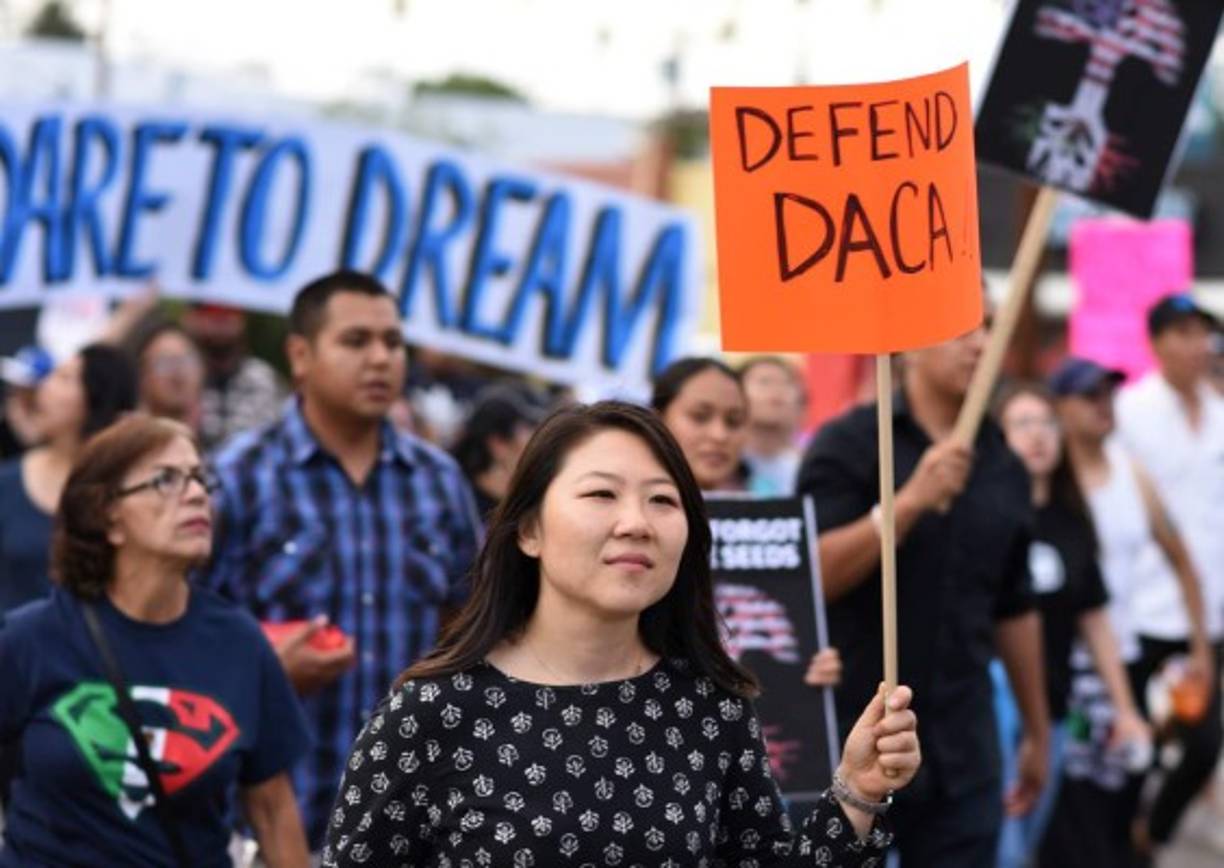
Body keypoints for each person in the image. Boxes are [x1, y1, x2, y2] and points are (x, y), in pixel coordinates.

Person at [322, 401, 921, 866]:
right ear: (528, 530)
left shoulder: (711, 706)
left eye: (663, 500)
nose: (635, 523)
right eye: (601, 494)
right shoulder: (432, 711)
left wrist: (858, 792)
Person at [205, 270, 482, 849]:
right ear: (300, 355)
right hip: (270, 828)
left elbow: (475, 633)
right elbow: (181, 642)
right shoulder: (239, 477)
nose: (381, 359)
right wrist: (265, 672)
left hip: (415, 830)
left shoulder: (438, 481)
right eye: (356, 342)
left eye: (393, 341)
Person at [0, 415, 310, 867]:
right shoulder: (34, 637)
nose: (197, 494)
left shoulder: (240, 643)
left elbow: (272, 808)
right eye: (166, 480)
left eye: (201, 478)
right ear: (108, 518)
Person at [797, 321, 1049, 868]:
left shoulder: (1004, 462)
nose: (981, 345)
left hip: (966, 746)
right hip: (856, 742)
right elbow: (810, 576)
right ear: (906, 344)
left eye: (990, 329)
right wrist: (908, 504)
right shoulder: (849, 443)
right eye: (963, 330)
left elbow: (1014, 606)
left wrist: (1036, 729)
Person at [1056, 350, 1218, 858]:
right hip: (1062, 669)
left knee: (1131, 785)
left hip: (1124, 655)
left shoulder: (1131, 472)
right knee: (1071, 811)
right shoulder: (1046, 481)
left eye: (1108, 394)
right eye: (1089, 396)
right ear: (1061, 407)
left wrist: (1199, 648)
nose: (1104, 405)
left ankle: (1146, 838)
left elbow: (1183, 560)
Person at [993, 382, 1150, 867]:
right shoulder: (986, 516)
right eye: (1022, 424)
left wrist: (1126, 709)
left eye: (1046, 423)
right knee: (1000, 844)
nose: (1038, 435)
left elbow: (1096, 621)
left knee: (1028, 844)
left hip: (1054, 707)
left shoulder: (1071, 520)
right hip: (992, 705)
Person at [0, 344, 136, 616]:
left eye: (64, 378)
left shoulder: (131, 491)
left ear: (97, 397)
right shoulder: (7, 482)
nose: (45, 387)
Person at [183, 304, 286, 452]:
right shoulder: (179, 378)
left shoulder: (264, 379)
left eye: (230, 312)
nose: (220, 320)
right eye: (210, 311)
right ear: (191, 319)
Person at [652, 357, 755, 493]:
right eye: (700, 416)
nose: (720, 435)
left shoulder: (770, 504)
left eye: (733, 421)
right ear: (658, 420)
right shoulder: (625, 509)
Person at [450, 382, 548, 520]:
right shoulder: (452, 504)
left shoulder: (526, 509)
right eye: (530, 427)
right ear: (498, 444)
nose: (540, 444)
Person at [740, 355, 807, 496]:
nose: (776, 390)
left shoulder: (813, 465)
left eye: (787, 383)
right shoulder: (720, 465)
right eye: (764, 382)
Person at [130, 318, 206, 433]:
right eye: (164, 364)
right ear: (143, 376)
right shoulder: (128, 442)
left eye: (186, 361)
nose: (177, 373)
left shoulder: (225, 439)